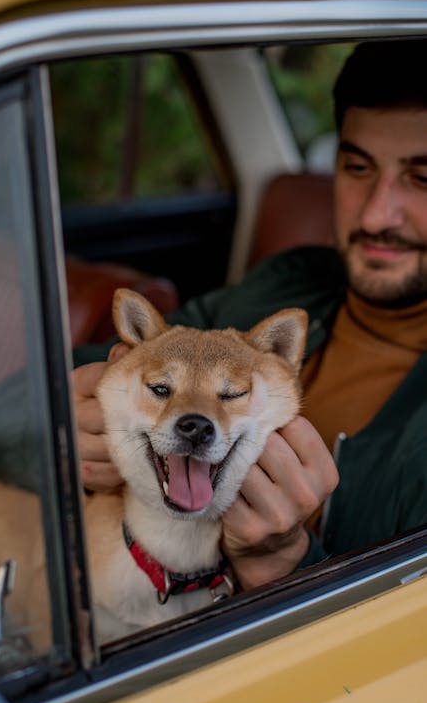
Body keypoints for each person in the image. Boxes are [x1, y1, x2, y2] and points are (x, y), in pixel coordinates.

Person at [70, 39, 427, 591]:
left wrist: (285, 563)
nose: (378, 213)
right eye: (357, 167)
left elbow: (399, 657)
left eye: (421, 177)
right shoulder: (285, 282)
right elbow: (4, 412)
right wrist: (69, 419)